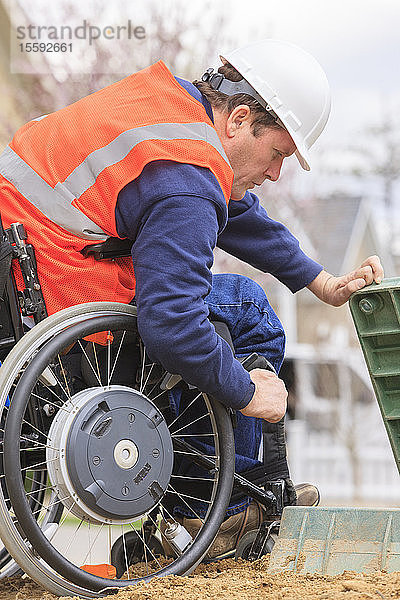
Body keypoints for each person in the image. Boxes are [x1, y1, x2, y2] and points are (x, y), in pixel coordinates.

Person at [0, 39, 383, 559]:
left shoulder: (164, 110)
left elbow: (230, 206)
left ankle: (208, 503)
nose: (275, 174)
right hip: (72, 304)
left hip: (27, 282)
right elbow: (173, 325)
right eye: (277, 154)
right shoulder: (187, 178)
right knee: (247, 309)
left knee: (229, 302)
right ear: (239, 119)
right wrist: (249, 393)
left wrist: (319, 281)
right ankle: (219, 510)